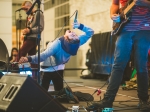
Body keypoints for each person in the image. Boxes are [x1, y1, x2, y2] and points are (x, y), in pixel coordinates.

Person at [87, 0, 150, 111]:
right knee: (118, 66)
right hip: (124, 29)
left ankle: (143, 100)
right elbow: (115, 4)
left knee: (141, 67)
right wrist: (113, 15)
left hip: (144, 29)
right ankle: (108, 101)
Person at [19, 21, 94, 92]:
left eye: (73, 35)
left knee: (58, 93)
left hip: (54, 68)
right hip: (49, 68)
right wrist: (80, 26)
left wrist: (27, 58)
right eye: (74, 34)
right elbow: (90, 32)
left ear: (66, 38)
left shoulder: (58, 44)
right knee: (43, 93)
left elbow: (43, 55)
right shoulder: (77, 41)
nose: (73, 32)